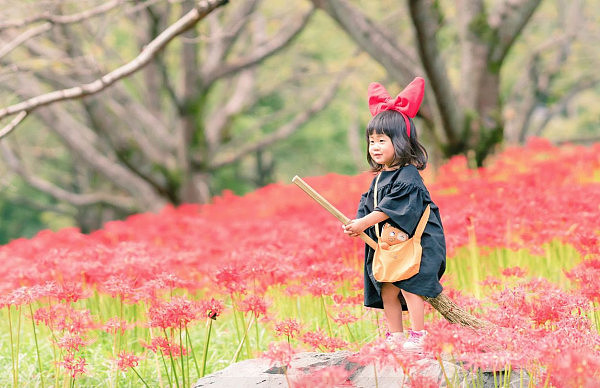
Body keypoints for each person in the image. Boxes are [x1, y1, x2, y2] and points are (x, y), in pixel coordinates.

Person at [342, 77, 446, 352]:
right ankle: (395, 336)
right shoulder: (379, 178)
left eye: (382, 140)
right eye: (371, 141)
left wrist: (366, 221)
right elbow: (370, 206)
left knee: (410, 285)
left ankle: (418, 335)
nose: (375, 147)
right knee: (387, 286)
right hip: (388, 245)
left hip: (415, 244)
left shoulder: (408, 177)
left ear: (400, 141)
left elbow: (391, 208)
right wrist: (357, 225)